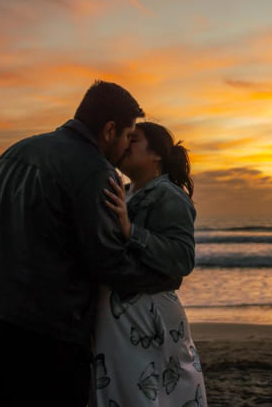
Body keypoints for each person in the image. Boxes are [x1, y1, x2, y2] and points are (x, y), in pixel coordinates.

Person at [0, 81, 179, 406]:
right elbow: (108, 261)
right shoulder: (95, 171)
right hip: (45, 330)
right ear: (109, 130)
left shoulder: (15, 151)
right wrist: (164, 277)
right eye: (128, 137)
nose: (127, 148)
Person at [92, 122, 206, 407]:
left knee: (154, 396)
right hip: (117, 317)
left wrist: (132, 231)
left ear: (156, 155)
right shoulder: (121, 190)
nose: (125, 144)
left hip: (149, 315)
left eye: (135, 140)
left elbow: (182, 258)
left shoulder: (168, 194)